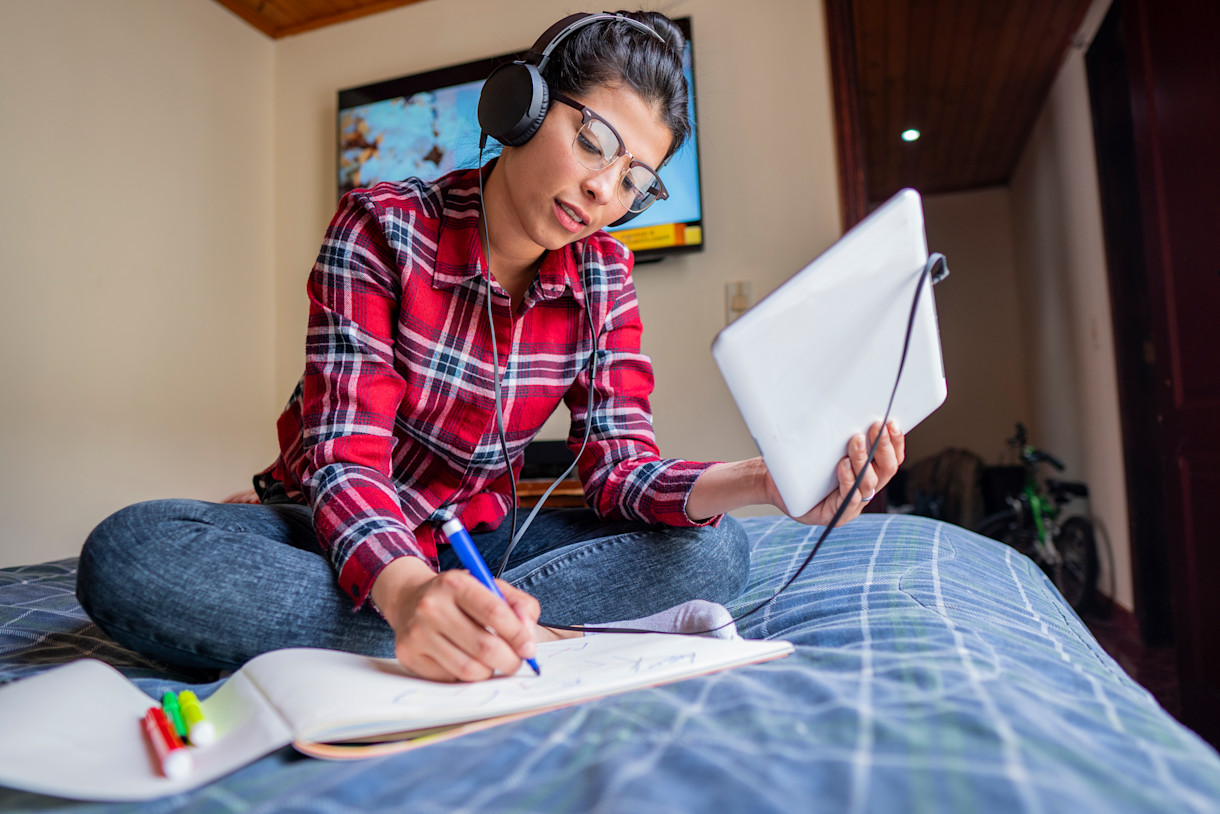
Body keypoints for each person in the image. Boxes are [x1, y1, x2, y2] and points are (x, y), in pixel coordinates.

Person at [76, 10, 904, 683]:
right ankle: (473, 625)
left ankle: (470, 621)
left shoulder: (606, 277)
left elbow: (621, 472)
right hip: (335, 530)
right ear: (524, 106)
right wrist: (405, 595)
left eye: (633, 181)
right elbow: (347, 462)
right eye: (595, 143)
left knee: (717, 545)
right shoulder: (380, 226)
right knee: (133, 554)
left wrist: (771, 479)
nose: (602, 190)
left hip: (478, 537)